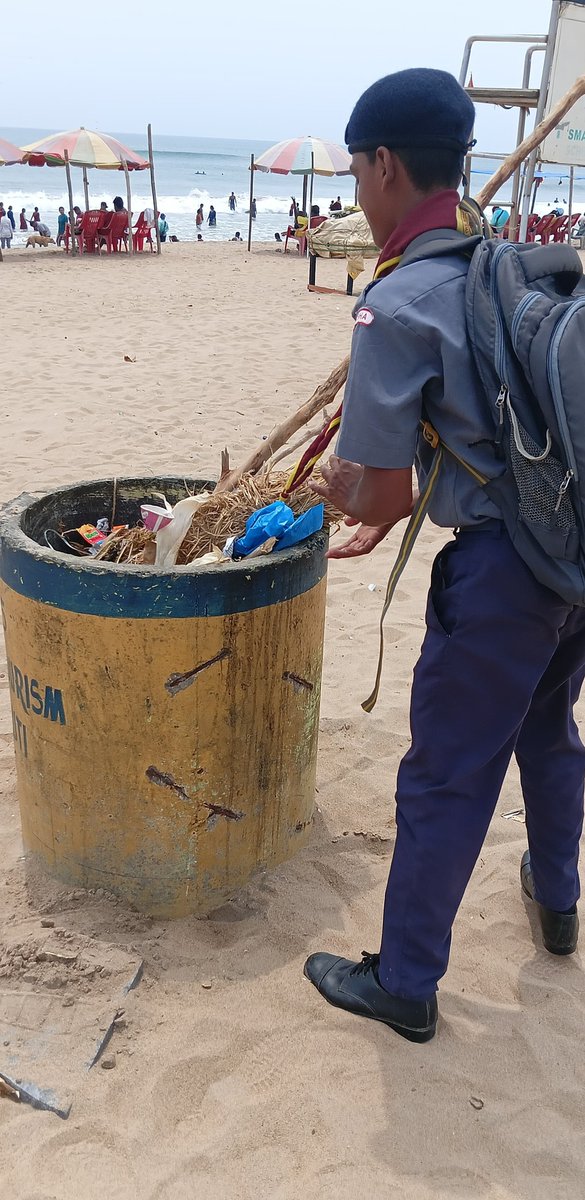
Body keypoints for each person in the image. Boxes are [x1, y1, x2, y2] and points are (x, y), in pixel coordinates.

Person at [304, 67, 584, 1043]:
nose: (357, 191)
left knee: (446, 774)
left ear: (385, 165)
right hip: (569, 550)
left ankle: (407, 983)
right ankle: (557, 901)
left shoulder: (398, 302)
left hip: (504, 574)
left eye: (356, 171)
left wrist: (336, 484)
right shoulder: (498, 264)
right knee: (547, 728)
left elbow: (383, 489)